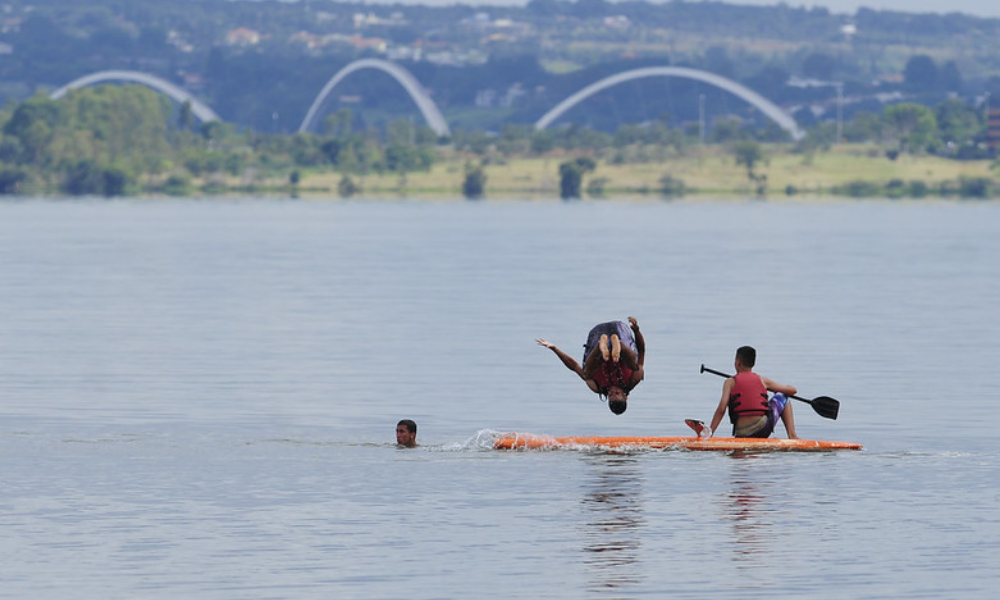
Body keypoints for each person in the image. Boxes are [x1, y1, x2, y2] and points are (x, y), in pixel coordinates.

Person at [536, 317, 645, 415]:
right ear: (625, 396)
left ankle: (600, 346)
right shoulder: (633, 381)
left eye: (611, 395)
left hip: (597, 338)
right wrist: (636, 330)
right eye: (617, 393)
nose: (612, 391)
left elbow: (574, 366)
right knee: (637, 367)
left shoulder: (597, 387)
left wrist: (554, 348)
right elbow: (641, 350)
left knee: (586, 375)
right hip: (619, 335)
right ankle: (618, 345)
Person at [709, 346, 799, 439]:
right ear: (753, 363)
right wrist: (778, 389)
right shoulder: (763, 381)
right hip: (762, 429)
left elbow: (721, 410)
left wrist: (709, 434)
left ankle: (792, 436)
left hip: (741, 432)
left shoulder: (729, 382)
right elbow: (793, 391)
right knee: (782, 396)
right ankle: (792, 436)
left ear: (738, 362)